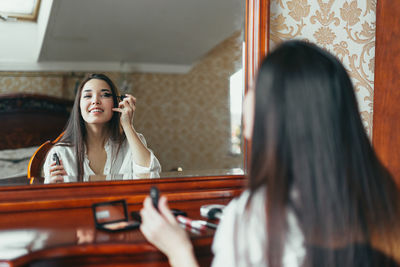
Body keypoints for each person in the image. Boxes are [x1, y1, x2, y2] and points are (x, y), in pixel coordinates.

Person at [139, 40, 400, 267]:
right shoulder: (383, 195)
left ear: (276, 110)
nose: (246, 97)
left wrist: (178, 251)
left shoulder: (255, 217)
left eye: (252, 87)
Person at [43, 73, 161, 183]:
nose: (95, 101)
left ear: (116, 103)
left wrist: (127, 125)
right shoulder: (60, 153)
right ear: (79, 106)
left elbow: (150, 178)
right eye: (88, 96)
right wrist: (53, 188)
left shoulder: (132, 143)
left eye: (105, 95)